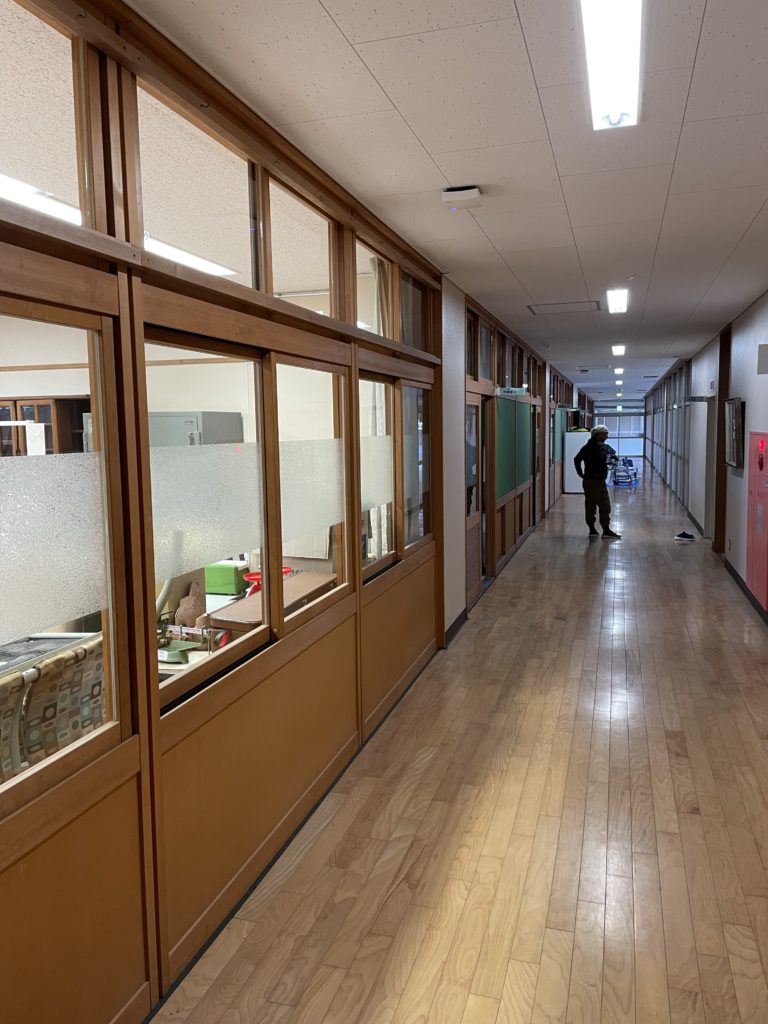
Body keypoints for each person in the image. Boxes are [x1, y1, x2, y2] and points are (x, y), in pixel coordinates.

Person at [573, 425, 621, 539]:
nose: (607, 437)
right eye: (605, 434)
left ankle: (592, 530)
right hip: (597, 482)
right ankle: (606, 531)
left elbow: (576, 459)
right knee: (605, 506)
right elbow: (604, 458)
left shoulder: (586, 446)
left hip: (587, 481)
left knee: (590, 505)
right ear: (599, 435)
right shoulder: (601, 447)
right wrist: (608, 457)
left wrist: (581, 473)